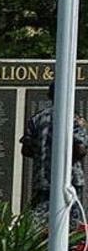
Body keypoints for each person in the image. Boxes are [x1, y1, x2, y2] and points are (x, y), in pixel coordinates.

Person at [22, 82, 87, 234]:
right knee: (71, 227)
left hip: (43, 179)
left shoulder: (36, 119)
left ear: (49, 96)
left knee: (37, 227)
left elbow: (26, 150)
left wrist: (44, 152)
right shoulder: (74, 120)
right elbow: (81, 150)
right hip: (69, 180)